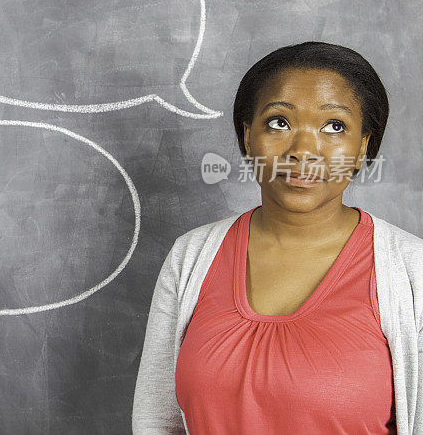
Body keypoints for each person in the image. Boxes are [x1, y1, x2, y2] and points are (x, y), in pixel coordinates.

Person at [133, 41, 423, 434]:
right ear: (248, 135)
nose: (303, 151)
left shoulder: (412, 271)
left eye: (334, 126)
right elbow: (156, 421)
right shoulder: (192, 256)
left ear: (362, 146)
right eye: (279, 123)